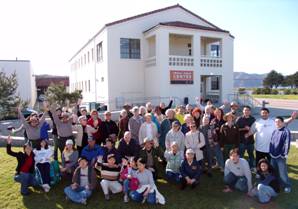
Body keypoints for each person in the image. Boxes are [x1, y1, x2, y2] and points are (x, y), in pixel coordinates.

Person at [269, 116, 292, 193]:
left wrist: (284, 154)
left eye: (279, 121)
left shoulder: (286, 131)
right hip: (272, 155)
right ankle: (278, 183)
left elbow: (287, 144)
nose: (277, 123)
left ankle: (287, 185)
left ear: (282, 122)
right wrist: (270, 151)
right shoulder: (275, 131)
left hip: (280, 156)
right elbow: (271, 142)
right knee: (274, 172)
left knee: (283, 173)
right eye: (276, 122)